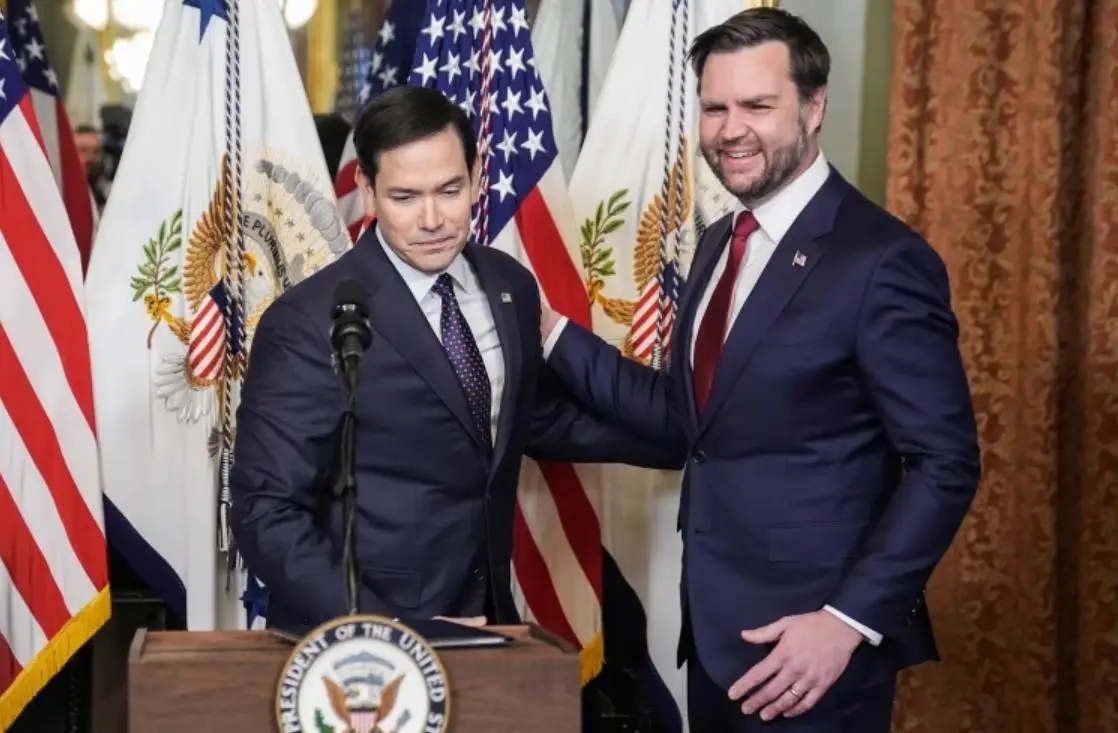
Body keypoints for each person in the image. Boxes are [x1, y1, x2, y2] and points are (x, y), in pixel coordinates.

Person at [539, 8, 981, 732]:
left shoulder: (881, 260)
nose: (730, 129)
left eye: (757, 106)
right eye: (715, 108)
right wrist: (551, 333)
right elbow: (689, 420)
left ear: (814, 106)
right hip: (715, 642)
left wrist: (845, 622)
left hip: (814, 656)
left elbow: (945, 463)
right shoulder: (720, 241)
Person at [229, 86, 676, 635]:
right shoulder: (307, 321)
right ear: (367, 192)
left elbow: (528, 419)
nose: (433, 219)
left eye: (449, 190)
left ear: (477, 176)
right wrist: (386, 627)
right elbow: (266, 510)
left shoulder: (509, 285)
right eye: (405, 197)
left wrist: (696, 440)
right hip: (363, 642)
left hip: (490, 623)